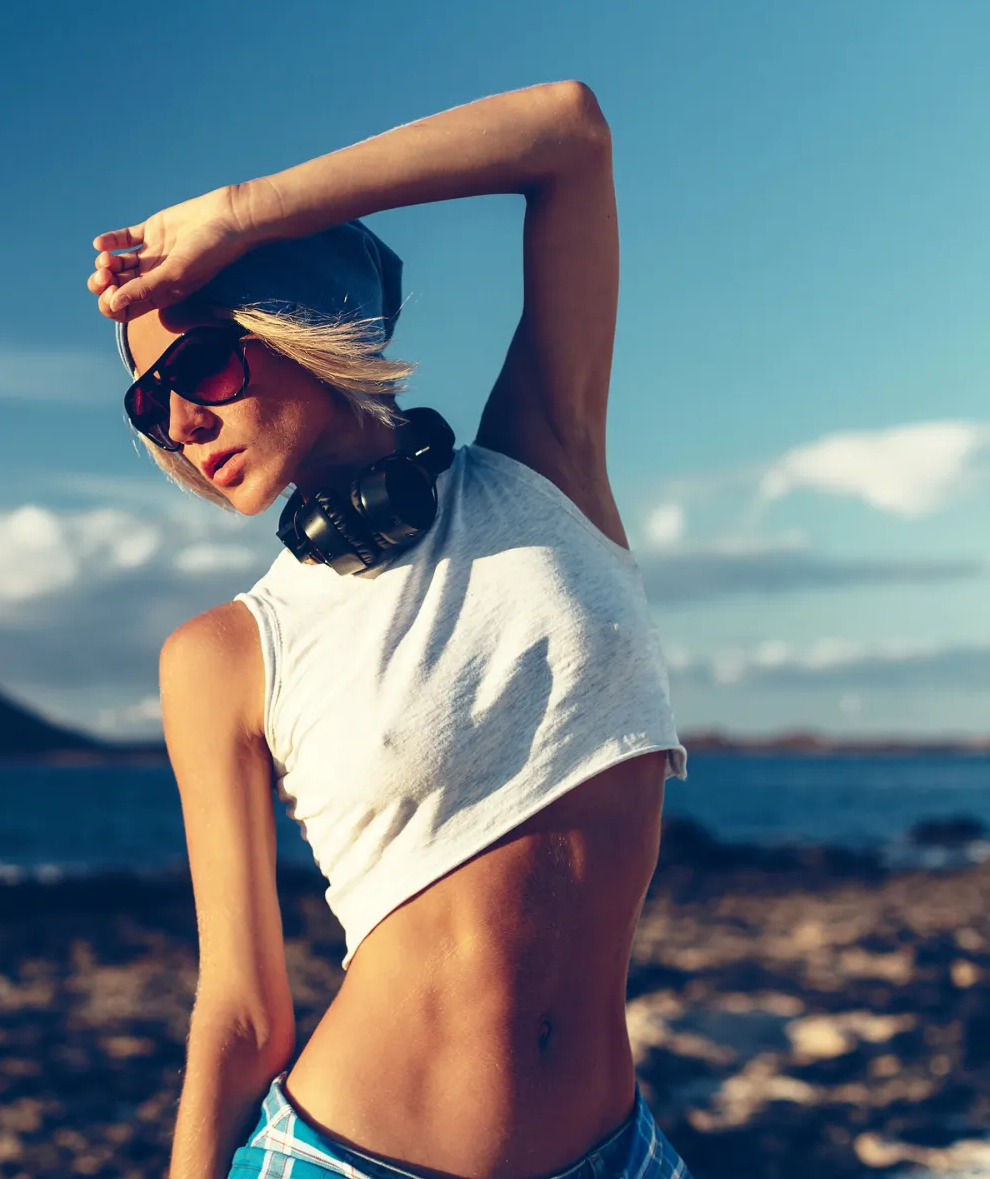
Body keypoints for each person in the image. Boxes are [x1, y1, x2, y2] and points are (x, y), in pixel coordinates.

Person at [87, 81, 692, 1179]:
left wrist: (234, 214)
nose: (181, 422)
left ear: (300, 325)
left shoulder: (543, 466)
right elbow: (238, 1006)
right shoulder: (226, 655)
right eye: (150, 405)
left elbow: (567, 134)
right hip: (351, 1160)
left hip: (620, 1154)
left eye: (201, 366)